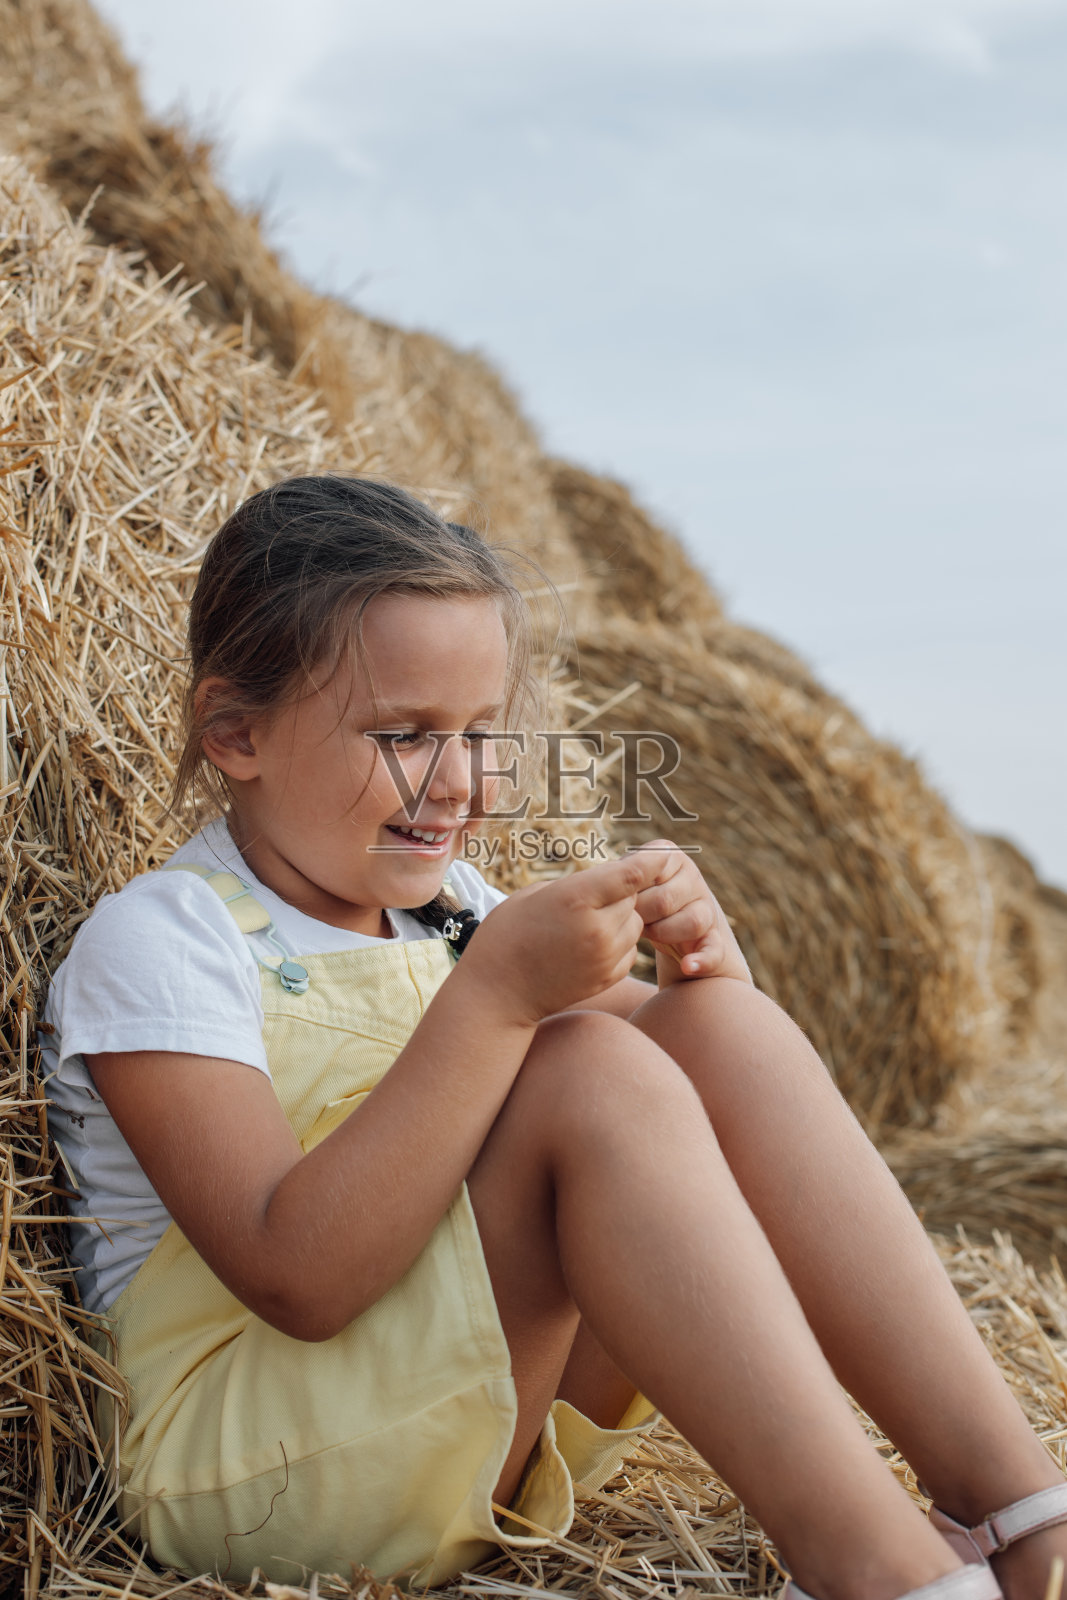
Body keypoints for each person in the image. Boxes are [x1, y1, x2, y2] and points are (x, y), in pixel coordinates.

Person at [42, 476, 1067, 1600]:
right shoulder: (165, 939)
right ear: (233, 732)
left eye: (481, 734)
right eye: (402, 736)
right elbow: (298, 1277)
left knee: (705, 1030)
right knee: (583, 1068)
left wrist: (699, 979)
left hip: (474, 1418)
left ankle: (1022, 1511)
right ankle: (884, 1571)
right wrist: (492, 1001)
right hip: (263, 1470)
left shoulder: (451, 909)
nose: (459, 782)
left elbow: (685, 1091)